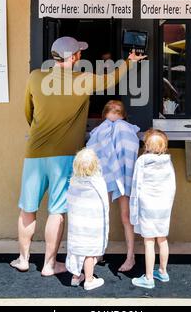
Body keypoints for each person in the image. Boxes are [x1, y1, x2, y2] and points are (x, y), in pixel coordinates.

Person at [10, 36, 144, 276]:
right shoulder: (84, 80)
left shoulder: (35, 76)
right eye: (79, 53)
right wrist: (129, 61)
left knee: (27, 209)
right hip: (63, 156)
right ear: (72, 58)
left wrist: (39, 131)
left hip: (34, 153)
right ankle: (49, 264)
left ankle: (23, 258)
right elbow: (112, 78)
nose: (81, 57)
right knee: (57, 212)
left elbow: (27, 112)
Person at [86, 100, 140, 272]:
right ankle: (98, 252)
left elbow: (129, 152)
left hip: (122, 176)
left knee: (124, 217)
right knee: (104, 215)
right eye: (112, 111)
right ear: (105, 114)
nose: (114, 114)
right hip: (105, 175)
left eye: (117, 111)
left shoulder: (125, 129)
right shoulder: (101, 130)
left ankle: (130, 256)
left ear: (123, 115)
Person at [130, 129, 176, 289]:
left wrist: (134, 208)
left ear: (146, 145)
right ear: (164, 146)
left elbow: (136, 185)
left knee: (149, 241)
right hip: (163, 207)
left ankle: (148, 277)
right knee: (162, 239)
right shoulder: (167, 161)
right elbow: (172, 185)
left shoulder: (142, 161)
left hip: (147, 206)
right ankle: (162, 272)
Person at [66, 148, 109, 291]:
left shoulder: (73, 182)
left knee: (77, 251)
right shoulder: (98, 183)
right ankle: (89, 280)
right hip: (91, 225)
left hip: (76, 225)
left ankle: (76, 277)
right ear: (96, 165)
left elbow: (70, 202)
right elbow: (104, 204)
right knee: (89, 252)